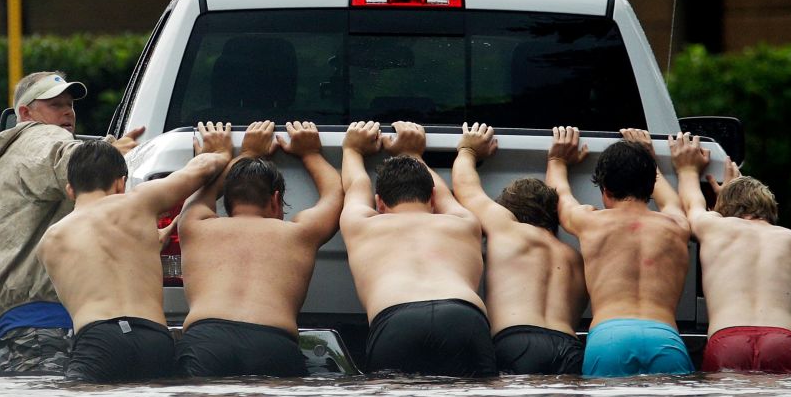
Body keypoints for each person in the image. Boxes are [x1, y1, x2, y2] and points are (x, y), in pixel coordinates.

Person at [0, 71, 144, 373]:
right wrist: (110, 156)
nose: (66, 112)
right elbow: (68, 160)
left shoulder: (14, 152)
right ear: (25, 113)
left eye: (70, 105)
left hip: (3, 327)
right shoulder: (40, 135)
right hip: (38, 324)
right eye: (54, 105)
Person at [37, 122, 232, 382]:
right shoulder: (140, 201)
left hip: (99, 340)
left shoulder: (50, 241)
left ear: (70, 189)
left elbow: (97, 263)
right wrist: (220, 152)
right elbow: (203, 168)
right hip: (153, 337)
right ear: (121, 183)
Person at [175, 120, 343, 377]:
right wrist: (311, 153)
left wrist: (246, 153)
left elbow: (203, 191)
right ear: (276, 199)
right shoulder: (300, 233)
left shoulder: (194, 224)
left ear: (227, 202)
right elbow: (335, 193)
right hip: (272, 343)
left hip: (206, 341)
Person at [340, 120, 497, 377]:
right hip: (463, 316)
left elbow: (356, 185)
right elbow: (443, 194)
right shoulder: (464, 222)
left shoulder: (361, 224)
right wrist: (413, 153)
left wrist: (352, 150)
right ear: (432, 198)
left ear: (379, 203)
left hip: (397, 319)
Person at [547, 126, 695, 377]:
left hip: (610, 339)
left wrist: (557, 160)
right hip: (665, 338)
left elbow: (560, 196)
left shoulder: (590, 222)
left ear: (604, 189)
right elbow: (671, 202)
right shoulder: (677, 226)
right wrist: (649, 158)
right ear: (651, 188)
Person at [669, 132, 791, 373]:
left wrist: (687, 170)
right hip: (783, 342)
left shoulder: (716, 228)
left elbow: (692, 204)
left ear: (720, 209)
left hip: (729, 340)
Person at [452, 122, 587, 374]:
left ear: (509, 211)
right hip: (569, 346)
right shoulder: (576, 258)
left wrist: (467, 151)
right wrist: (557, 162)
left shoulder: (508, 230)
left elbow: (467, 190)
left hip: (518, 341)